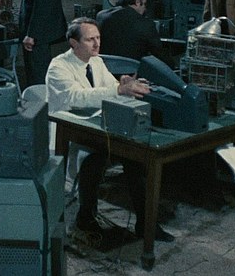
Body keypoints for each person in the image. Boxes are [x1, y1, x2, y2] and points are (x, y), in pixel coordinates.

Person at [46, 17, 174, 243]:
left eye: (98, 38)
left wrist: (122, 85)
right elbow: (76, 97)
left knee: (136, 158)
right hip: (70, 132)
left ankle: (146, 224)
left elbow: (108, 88)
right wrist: (118, 90)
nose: (97, 44)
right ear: (73, 43)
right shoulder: (58, 66)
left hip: (98, 128)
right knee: (94, 160)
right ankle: (85, 217)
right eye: (90, 39)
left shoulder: (96, 62)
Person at [96, 0, 166, 64]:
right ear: (137, 1)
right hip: (131, 70)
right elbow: (159, 55)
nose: (145, 8)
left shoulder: (101, 16)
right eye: (144, 4)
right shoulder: (146, 24)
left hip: (104, 69)